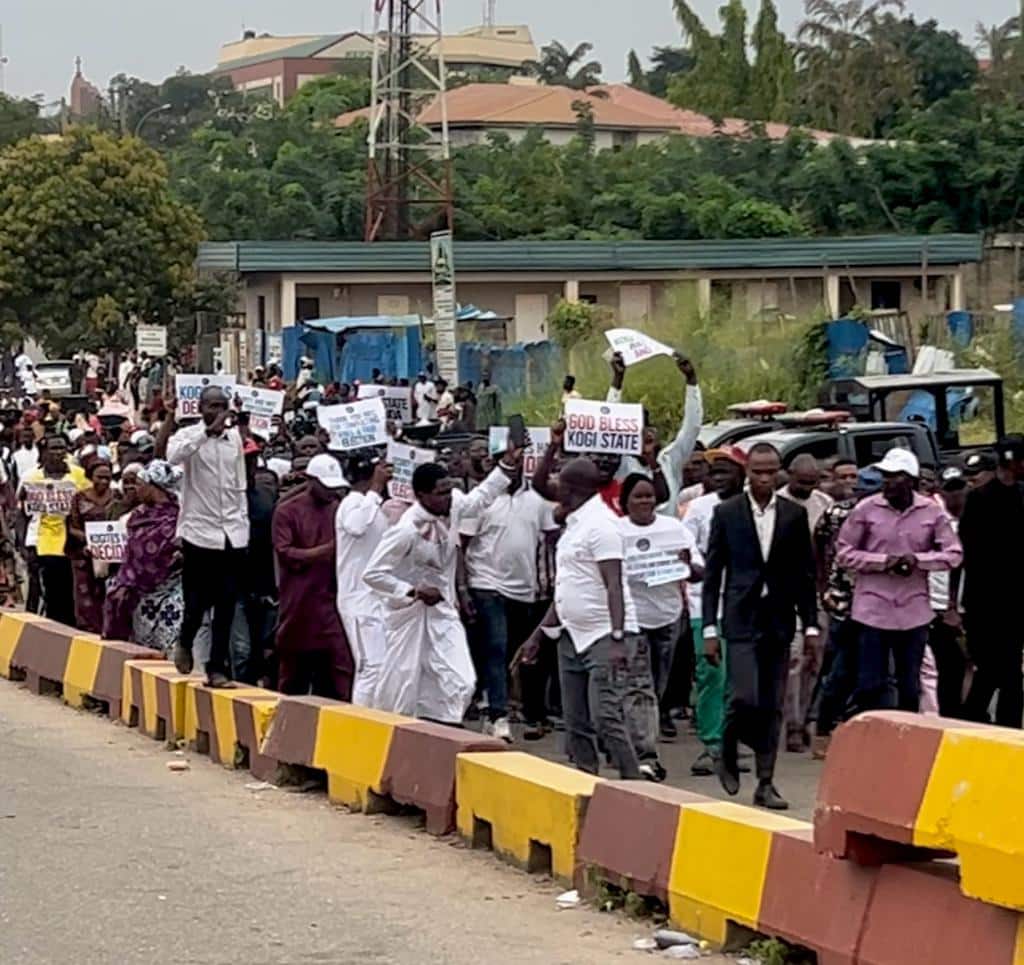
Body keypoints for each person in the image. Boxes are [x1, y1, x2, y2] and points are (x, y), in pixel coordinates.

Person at [362, 440, 526, 724]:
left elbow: (481, 498)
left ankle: (445, 725)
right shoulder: (405, 530)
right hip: (407, 615)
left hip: (443, 612)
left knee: (462, 680)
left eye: (449, 490)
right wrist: (413, 591)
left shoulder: (453, 506)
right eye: (441, 493)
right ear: (422, 495)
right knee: (403, 686)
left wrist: (507, 465)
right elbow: (373, 574)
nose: (449, 498)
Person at [520, 458, 662, 781]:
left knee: (605, 716)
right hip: (571, 634)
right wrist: (538, 636)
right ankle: (586, 780)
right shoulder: (575, 525)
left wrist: (617, 637)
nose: (556, 489)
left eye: (562, 484)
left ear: (574, 489)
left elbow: (614, 583)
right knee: (575, 721)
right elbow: (568, 589)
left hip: (603, 635)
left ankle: (633, 781)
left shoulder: (602, 526)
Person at [702, 442, 818, 811]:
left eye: (771, 472)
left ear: (779, 471)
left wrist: (812, 626)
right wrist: (708, 628)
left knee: (772, 704)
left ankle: (766, 783)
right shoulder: (727, 513)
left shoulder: (793, 515)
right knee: (743, 696)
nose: (764, 479)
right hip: (739, 617)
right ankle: (728, 745)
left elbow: (805, 575)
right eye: (757, 472)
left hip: (779, 620)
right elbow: (713, 575)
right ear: (746, 473)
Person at [837, 448, 962, 715]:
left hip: (913, 609)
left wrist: (918, 560)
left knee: (909, 684)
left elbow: (953, 554)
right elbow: (844, 553)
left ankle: (906, 737)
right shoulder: (866, 509)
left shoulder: (931, 511)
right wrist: (883, 562)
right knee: (870, 683)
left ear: (912, 481)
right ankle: (871, 734)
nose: (889, 482)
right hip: (873, 608)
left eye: (896, 476)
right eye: (886, 476)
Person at [459, 447, 557, 740]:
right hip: (485, 583)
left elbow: (552, 537)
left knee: (508, 651)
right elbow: (461, 545)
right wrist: (463, 589)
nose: (511, 464)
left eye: (515, 459)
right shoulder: (482, 500)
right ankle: (499, 715)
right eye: (504, 459)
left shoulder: (538, 500)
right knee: (497, 645)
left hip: (523, 590)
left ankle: (491, 700)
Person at [166, 388, 250, 687]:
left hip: (232, 533)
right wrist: (205, 433)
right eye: (212, 406)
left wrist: (243, 525)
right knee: (197, 602)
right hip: (199, 532)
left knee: (226, 602)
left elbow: (239, 483)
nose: (218, 411)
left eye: (222, 406)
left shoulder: (235, 440)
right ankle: (185, 641)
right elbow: (173, 456)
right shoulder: (188, 437)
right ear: (201, 408)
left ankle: (216, 668)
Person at [618, 473, 702, 739]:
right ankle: (638, 737)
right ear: (626, 501)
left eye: (649, 496)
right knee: (635, 680)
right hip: (632, 616)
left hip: (667, 616)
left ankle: (650, 723)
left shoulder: (674, 528)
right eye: (638, 496)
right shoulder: (616, 530)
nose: (645, 501)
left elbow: (699, 572)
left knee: (659, 678)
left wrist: (687, 564)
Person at [681, 447, 746, 773]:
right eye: (714, 472)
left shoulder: (753, 507)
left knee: (740, 676)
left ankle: (732, 740)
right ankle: (712, 743)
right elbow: (687, 548)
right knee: (711, 673)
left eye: (726, 472)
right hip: (705, 604)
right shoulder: (698, 508)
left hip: (744, 603)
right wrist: (705, 568)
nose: (718, 478)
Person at [272, 454, 354, 699]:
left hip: (331, 602)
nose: (330, 493)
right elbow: (286, 553)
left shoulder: (338, 510)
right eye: (325, 487)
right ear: (310, 481)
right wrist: (326, 550)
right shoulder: (287, 511)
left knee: (337, 673)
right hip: (299, 604)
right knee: (294, 677)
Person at [812, 464, 877, 758]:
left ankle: (869, 734)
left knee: (877, 675)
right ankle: (824, 730)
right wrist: (823, 582)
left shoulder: (888, 513)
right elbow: (819, 544)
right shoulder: (838, 513)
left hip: (883, 604)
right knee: (842, 670)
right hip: (846, 603)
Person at [959, 437, 1024, 727]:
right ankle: (974, 721)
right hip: (985, 603)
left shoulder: (1022, 495)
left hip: (1016, 602)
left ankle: (1007, 729)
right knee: (992, 670)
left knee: (1010, 673)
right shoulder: (979, 499)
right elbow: (971, 553)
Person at [778, 453, 834, 752]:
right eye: (802, 482)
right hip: (785, 590)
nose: (807, 488)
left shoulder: (823, 504)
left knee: (816, 658)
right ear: (789, 475)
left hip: (816, 590)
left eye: (812, 483)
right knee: (794, 659)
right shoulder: (774, 504)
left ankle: (807, 714)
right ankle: (793, 725)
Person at [102, 460, 184, 654]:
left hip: (170, 592)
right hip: (139, 595)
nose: (135, 489)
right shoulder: (138, 515)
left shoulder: (181, 517)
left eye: (140, 484)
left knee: (167, 646)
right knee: (141, 649)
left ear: (154, 487)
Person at [335, 456, 392, 706]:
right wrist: (375, 490)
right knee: (370, 667)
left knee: (382, 667)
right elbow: (356, 526)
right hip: (358, 599)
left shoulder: (374, 507)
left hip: (376, 597)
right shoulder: (353, 503)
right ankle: (361, 723)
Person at [21, 435, 86, 626]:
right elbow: (23, 514)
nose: (58, 452)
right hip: (45, 542)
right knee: (52, 591)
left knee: (71, 591)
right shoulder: (31, 478)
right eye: (53, 448)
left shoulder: (79, 475)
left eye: (61, 448)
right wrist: (25, 544)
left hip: (73, 542)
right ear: (45, 451)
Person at [923, 467, 968, 718]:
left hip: (966, 604)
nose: (956, 495)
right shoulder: (933, 519)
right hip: (936, 606)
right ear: (941, 490)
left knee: (965, 665)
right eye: (950, 489)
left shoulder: (974, 517)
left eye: (960, 488)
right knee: (944, 667)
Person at [66, 459, 115, 633]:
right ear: (90, 477)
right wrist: (89, 539)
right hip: (84, 555)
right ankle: (87, 631)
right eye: (99, 477)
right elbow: (72, 526)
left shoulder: (117, 497)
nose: (103, 481)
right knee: (85, 596)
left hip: (110, 556)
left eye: (107, 478)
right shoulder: (79, 498)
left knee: (106, 593)